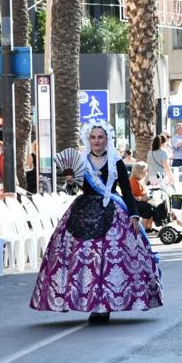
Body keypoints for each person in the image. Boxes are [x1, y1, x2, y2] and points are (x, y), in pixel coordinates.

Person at [30, 120, 162, 323]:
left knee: (111, 257)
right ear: (88, 139)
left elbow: (126, 191)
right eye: (93, 137)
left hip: (112, 211)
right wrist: (72, 183)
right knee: (85, 257)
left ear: (107, 139)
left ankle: (105, 305)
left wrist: (134, 215)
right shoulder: (82, 162)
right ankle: (87, 301)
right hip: (84, 212)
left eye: (100, 137)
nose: (97, 141)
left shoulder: (115, 161)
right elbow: (75, 191)